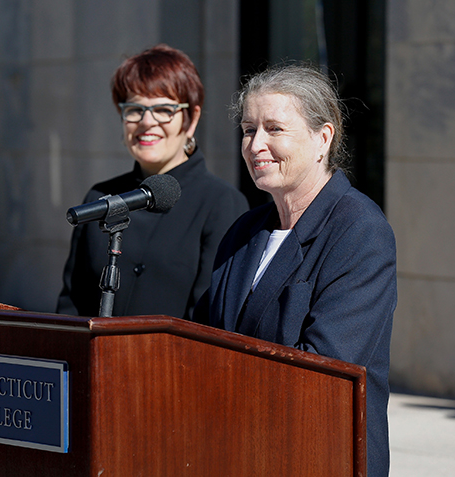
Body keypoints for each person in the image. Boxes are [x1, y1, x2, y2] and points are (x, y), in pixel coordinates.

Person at [194, 64, 397, 476]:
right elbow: (202, 339)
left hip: (321, 455)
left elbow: (322, 369)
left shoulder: (359, 230)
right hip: (241, 453)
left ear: (323, 139)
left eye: (274, 129)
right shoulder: (243, 232)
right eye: (249, 130)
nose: (255, 145)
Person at [57, 44, 248, 320]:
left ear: (191, 118)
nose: (147, 122)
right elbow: (71, 305)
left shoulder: (221, 204)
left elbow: (213, 320)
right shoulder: (101, 196)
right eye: (134, 109)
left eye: (163, 110)